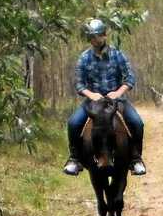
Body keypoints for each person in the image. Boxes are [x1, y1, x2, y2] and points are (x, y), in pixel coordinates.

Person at [63, 18, 147, 177]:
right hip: (92, 102)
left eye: (97, 36)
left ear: (104, 35)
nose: (95, 40)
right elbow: (79, 84)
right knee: (73, 123)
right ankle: (75, 159)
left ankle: (136, 159)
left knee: (137, 123)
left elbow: (129, 79)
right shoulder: (84, 58)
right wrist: (91, 94)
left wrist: (118, 92)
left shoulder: (118, 55)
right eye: (92, 37)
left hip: (116, 101)